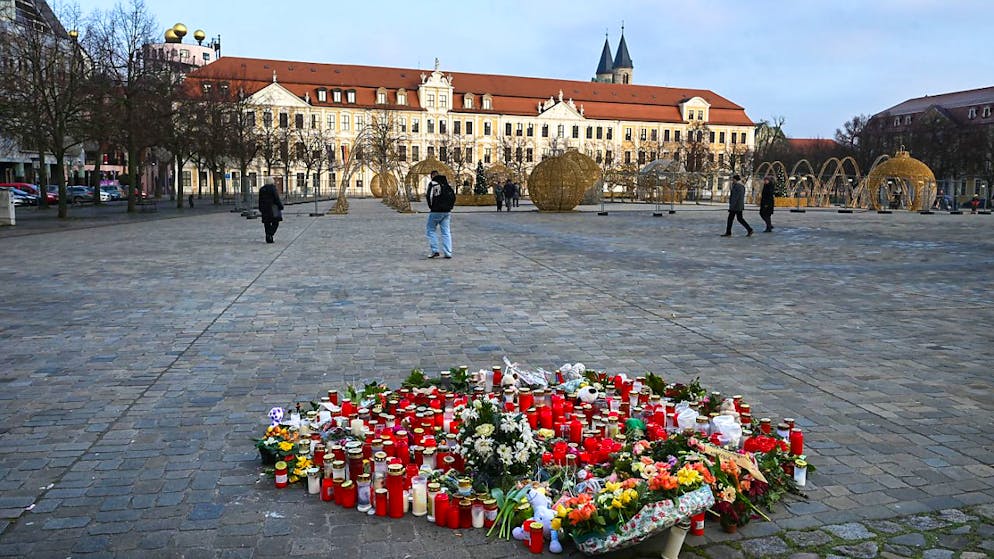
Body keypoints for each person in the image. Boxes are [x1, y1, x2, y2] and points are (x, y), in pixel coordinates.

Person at [425, 171, 454, 259]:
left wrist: (432, 207)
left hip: (436, 211)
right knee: (446, 232)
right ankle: (448, 252)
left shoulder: (433, 184)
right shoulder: (446, 184)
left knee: (430, 229)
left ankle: (435, 250)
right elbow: (453, 196)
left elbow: (429, 197)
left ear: (432, 176)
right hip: (447, 211)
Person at [258, 178, 284, 244]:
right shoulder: (273, 189)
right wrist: (280, 206)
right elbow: (276, 198)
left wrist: (260, 208)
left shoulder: (262, 189)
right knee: (275, 222)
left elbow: (260, 200)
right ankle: (270, 234)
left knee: (267, 223)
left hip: (264, 209)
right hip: (273, 208)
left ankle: (268, 238)